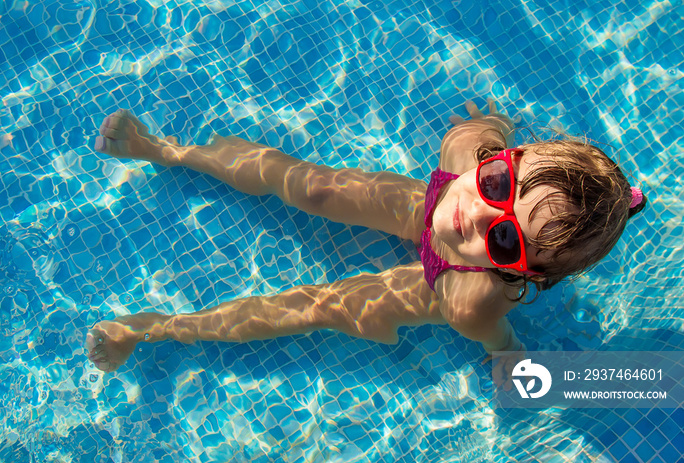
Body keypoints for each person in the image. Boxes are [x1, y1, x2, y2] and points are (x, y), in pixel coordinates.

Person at [85, 99, 646, 388]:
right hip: (424, 205)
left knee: (315, 306)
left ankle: (152, 328)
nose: (475, 212)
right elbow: (479, 137)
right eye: (498, 182)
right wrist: (487, 127)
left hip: (439, 280)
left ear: (524, 276)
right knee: (315, 186)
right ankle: (166, 151)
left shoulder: (474, 302)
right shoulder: (468, 166)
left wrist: (511, 360)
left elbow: (499, 339)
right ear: (505, 159)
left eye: (505, 238)